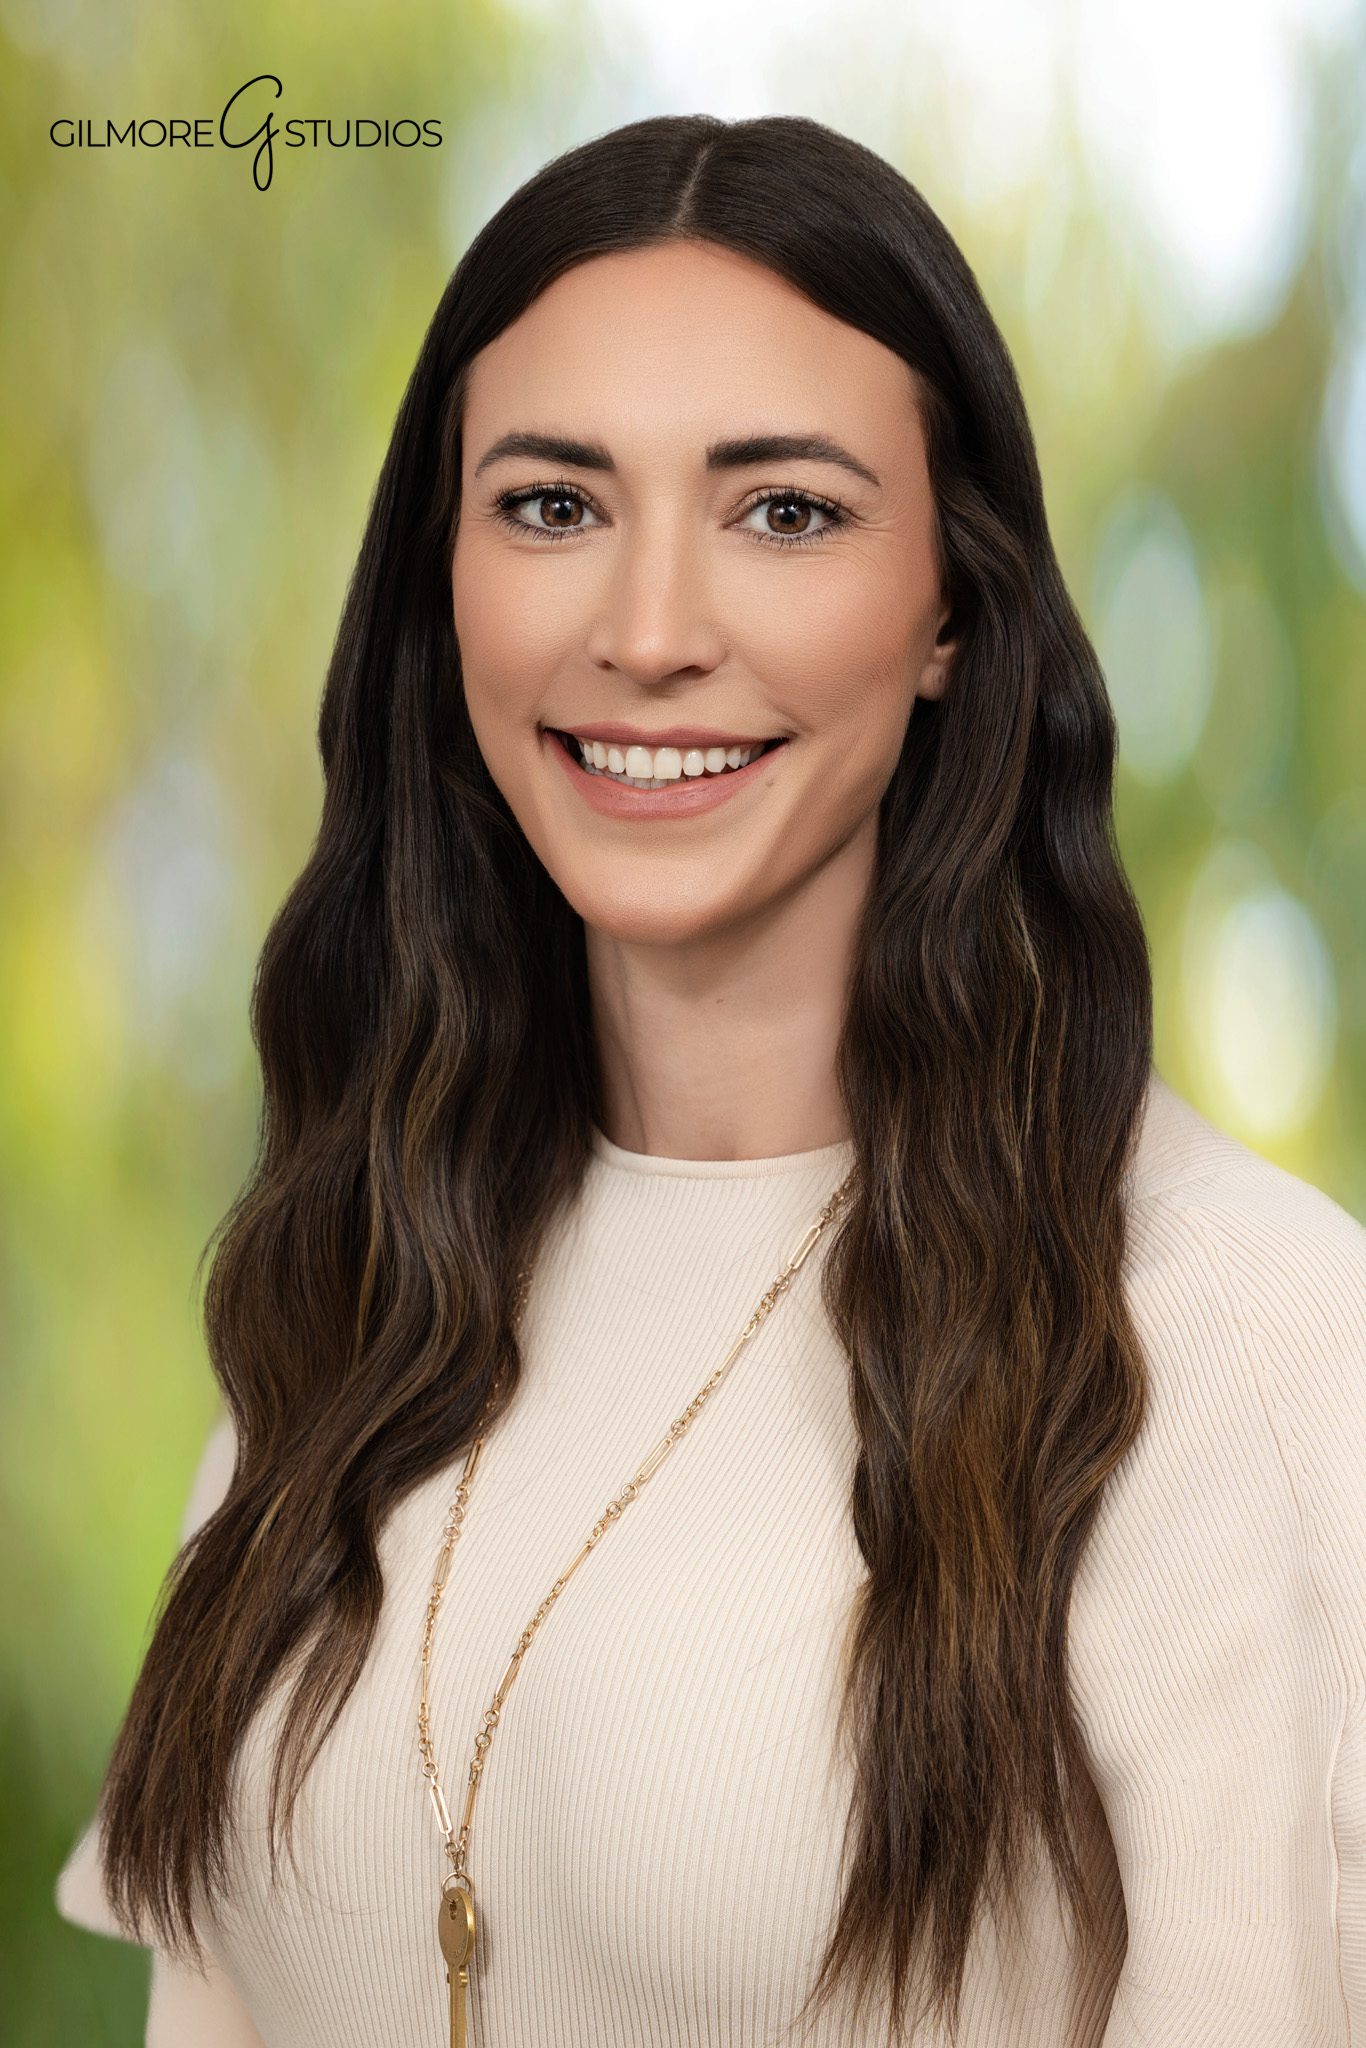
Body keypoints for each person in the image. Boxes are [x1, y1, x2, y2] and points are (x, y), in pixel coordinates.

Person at [55, 113, 1366, 2047]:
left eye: (785, 512)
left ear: (951, 608)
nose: (649, 634)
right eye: (553, 506)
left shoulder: (1239, 1344)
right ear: (443, 587)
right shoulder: (348, 1296)